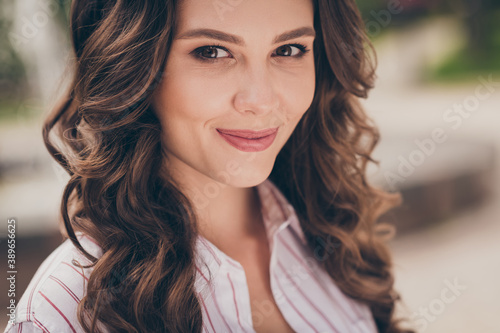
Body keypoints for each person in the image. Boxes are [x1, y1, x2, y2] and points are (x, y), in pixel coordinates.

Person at [4, 0, 415, 332]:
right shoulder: (62, 314)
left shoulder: (330, 230)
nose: (262, 100)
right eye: (212, 52)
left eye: (288, 50)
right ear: (135, 68)